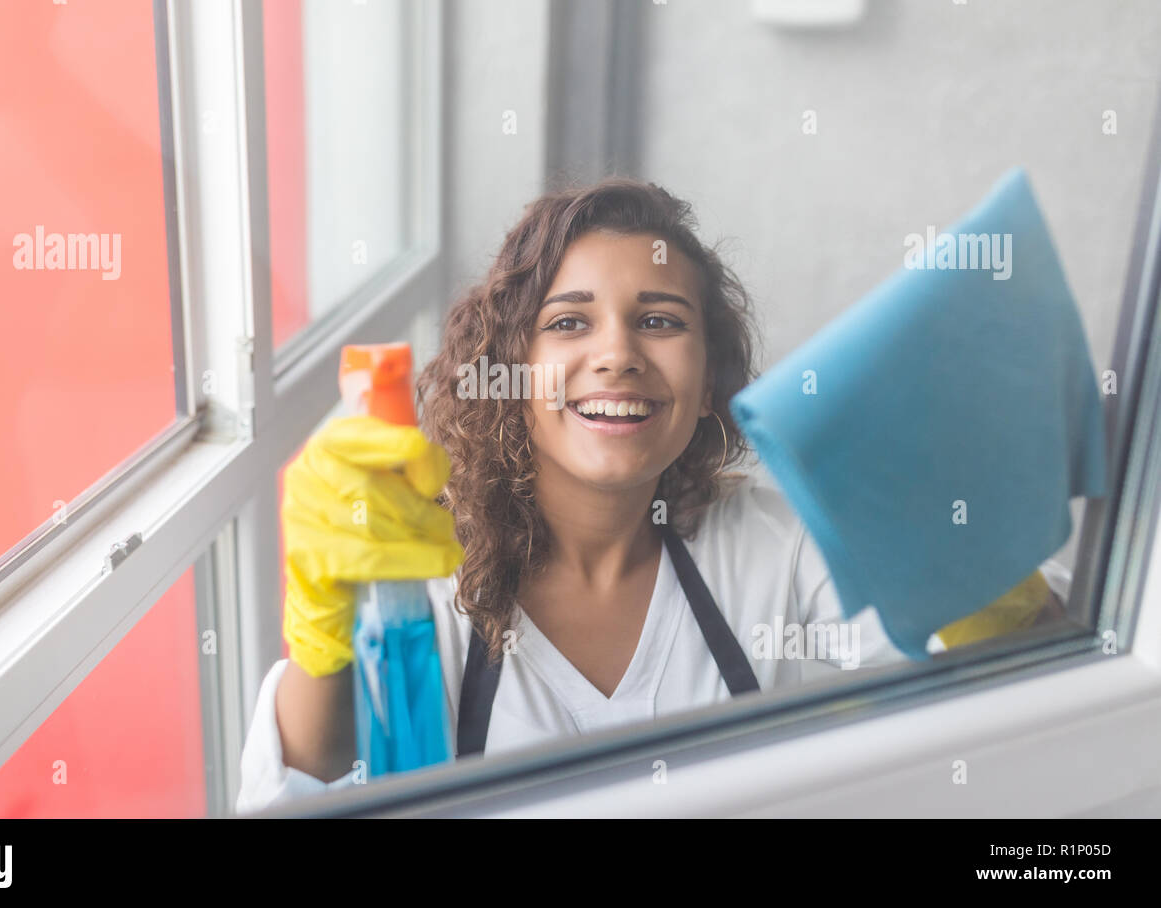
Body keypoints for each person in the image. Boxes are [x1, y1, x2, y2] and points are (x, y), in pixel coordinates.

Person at [235, 178, 1067, 815]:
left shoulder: (778, 546)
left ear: (709, 382)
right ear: (511, 377)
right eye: (569, 323)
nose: (618, 354)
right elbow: (299, 795)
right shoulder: (418, 575)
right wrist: (321, 637)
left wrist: (967, 538)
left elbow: (1035, 708)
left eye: (661, 321)